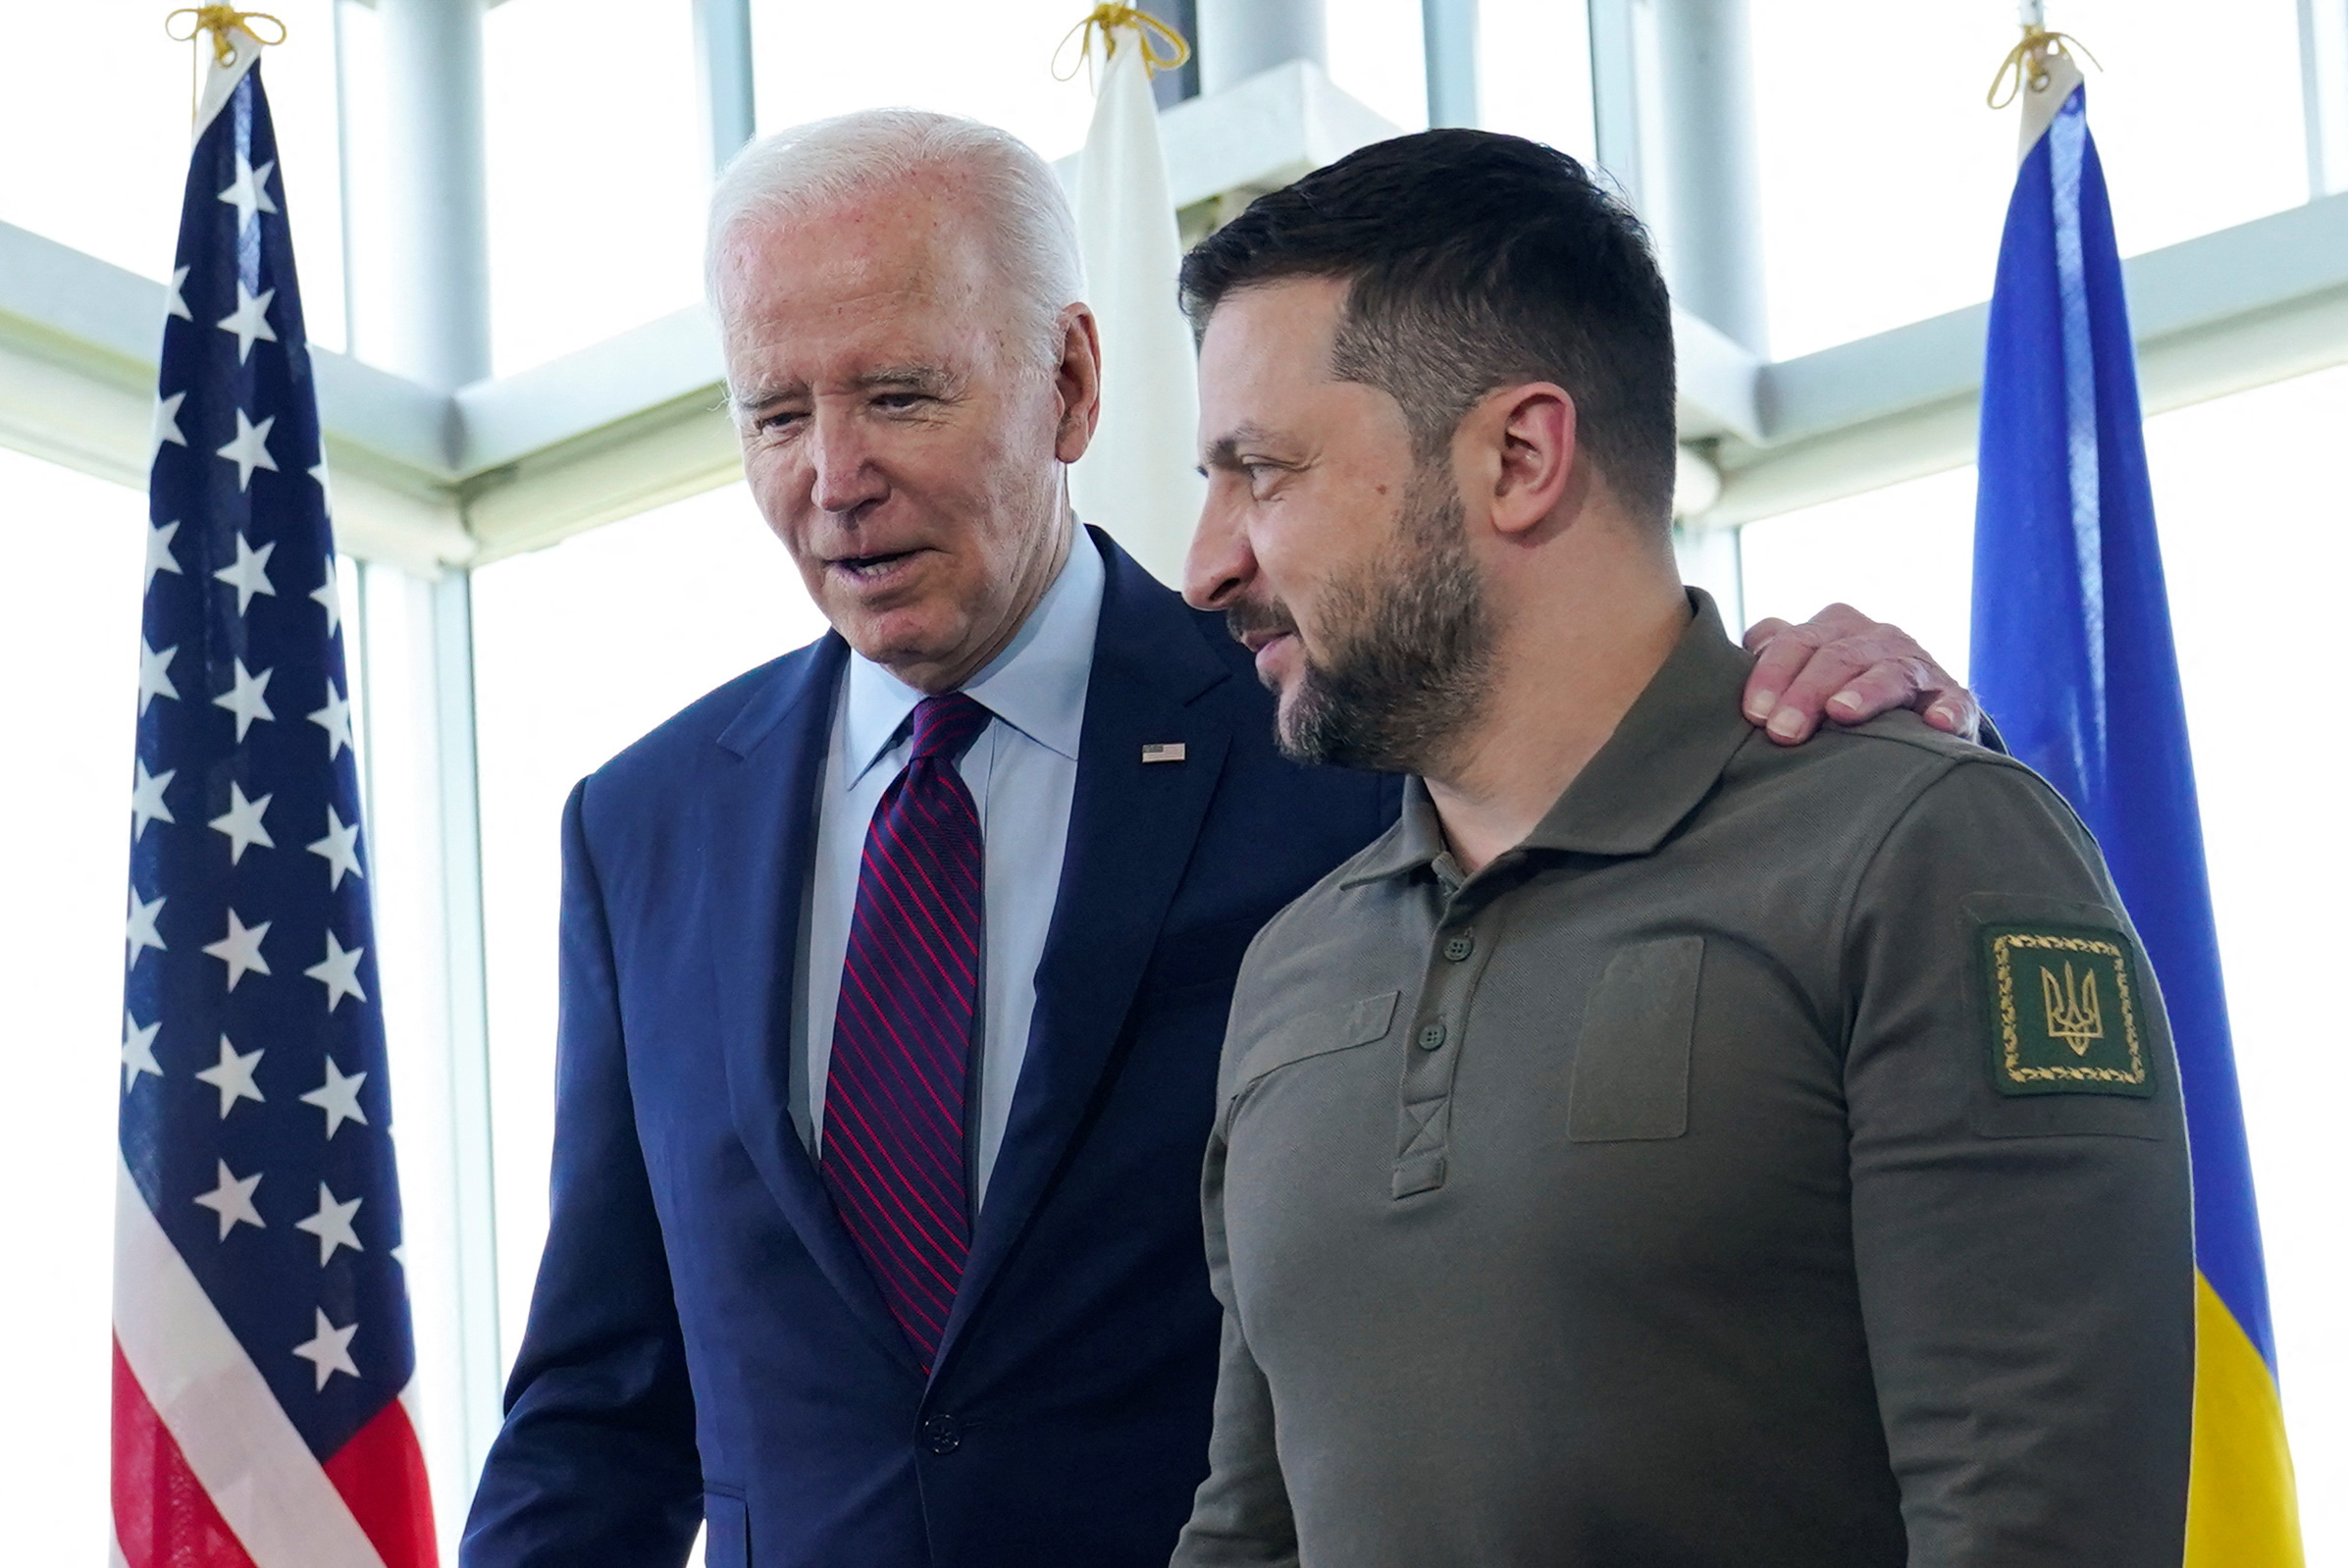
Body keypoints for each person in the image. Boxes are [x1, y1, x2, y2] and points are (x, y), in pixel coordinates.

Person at [459, 111, 1986, 1568]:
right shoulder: (644, 824)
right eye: (776, 414)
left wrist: (1821, 702)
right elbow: (603, 1400)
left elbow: (1611, 749)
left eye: (901, 396)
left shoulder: (1341, 720)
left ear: (1067, 383)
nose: (832, 475)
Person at [1170, 129, 2195, 1568]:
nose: (1204, 560)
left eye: (1258, 472)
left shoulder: (1920, 850)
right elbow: (1248, 1529)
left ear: (1519, 457)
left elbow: (2041, 1527)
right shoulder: (1293, 960)